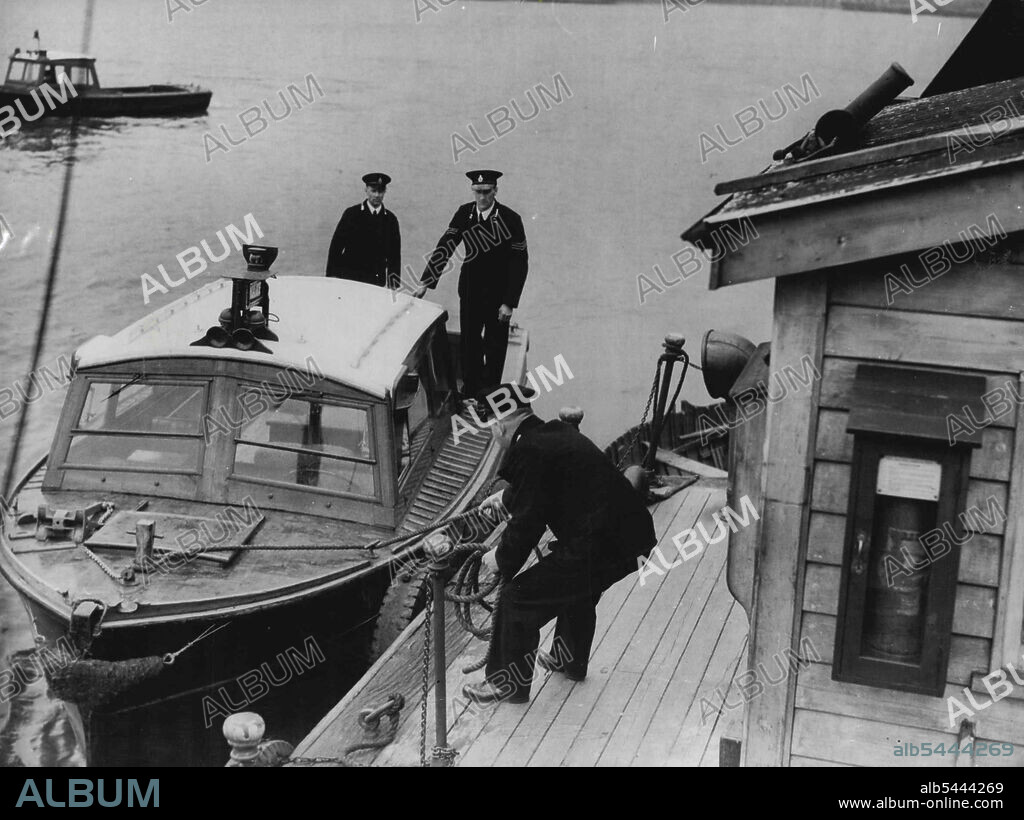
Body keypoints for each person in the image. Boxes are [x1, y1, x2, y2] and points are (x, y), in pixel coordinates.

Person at [461, 384, 657, 705]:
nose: (495, 440)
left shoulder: (529, 450)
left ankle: (506, 684)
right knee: (578, 587)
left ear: (499, 426)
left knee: (518, 598)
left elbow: (527, 525)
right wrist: (507, 496)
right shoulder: (550, 433)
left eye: (493, 433)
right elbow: (544, 486)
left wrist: (500, 557)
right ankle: (571, 661)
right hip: (631, 538)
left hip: (606, 544)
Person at [415, 170, 528, 401]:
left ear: (495, 190)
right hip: (470, 290)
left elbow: (520, 263)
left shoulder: (510, 219)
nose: (482, 197)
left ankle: (490, 397)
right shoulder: (464, 213)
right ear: (472, 191)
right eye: (478, 192)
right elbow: (446, 246)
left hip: (499, 294)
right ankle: (470, 391)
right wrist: (426, 282)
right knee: (469, 343)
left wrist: (509, 303)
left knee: (495, 348)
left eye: (487, 192)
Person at [326, 172, 401, 288]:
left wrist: (393, 286)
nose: (377, 195)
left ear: (385, 192)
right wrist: (331, 277)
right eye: (373, 190)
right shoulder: (351, 214)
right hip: (349, 278)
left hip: (375, 281)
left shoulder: (390, 220)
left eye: (380, 191)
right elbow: (336, 247)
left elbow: (394, 256)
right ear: (366, 190)